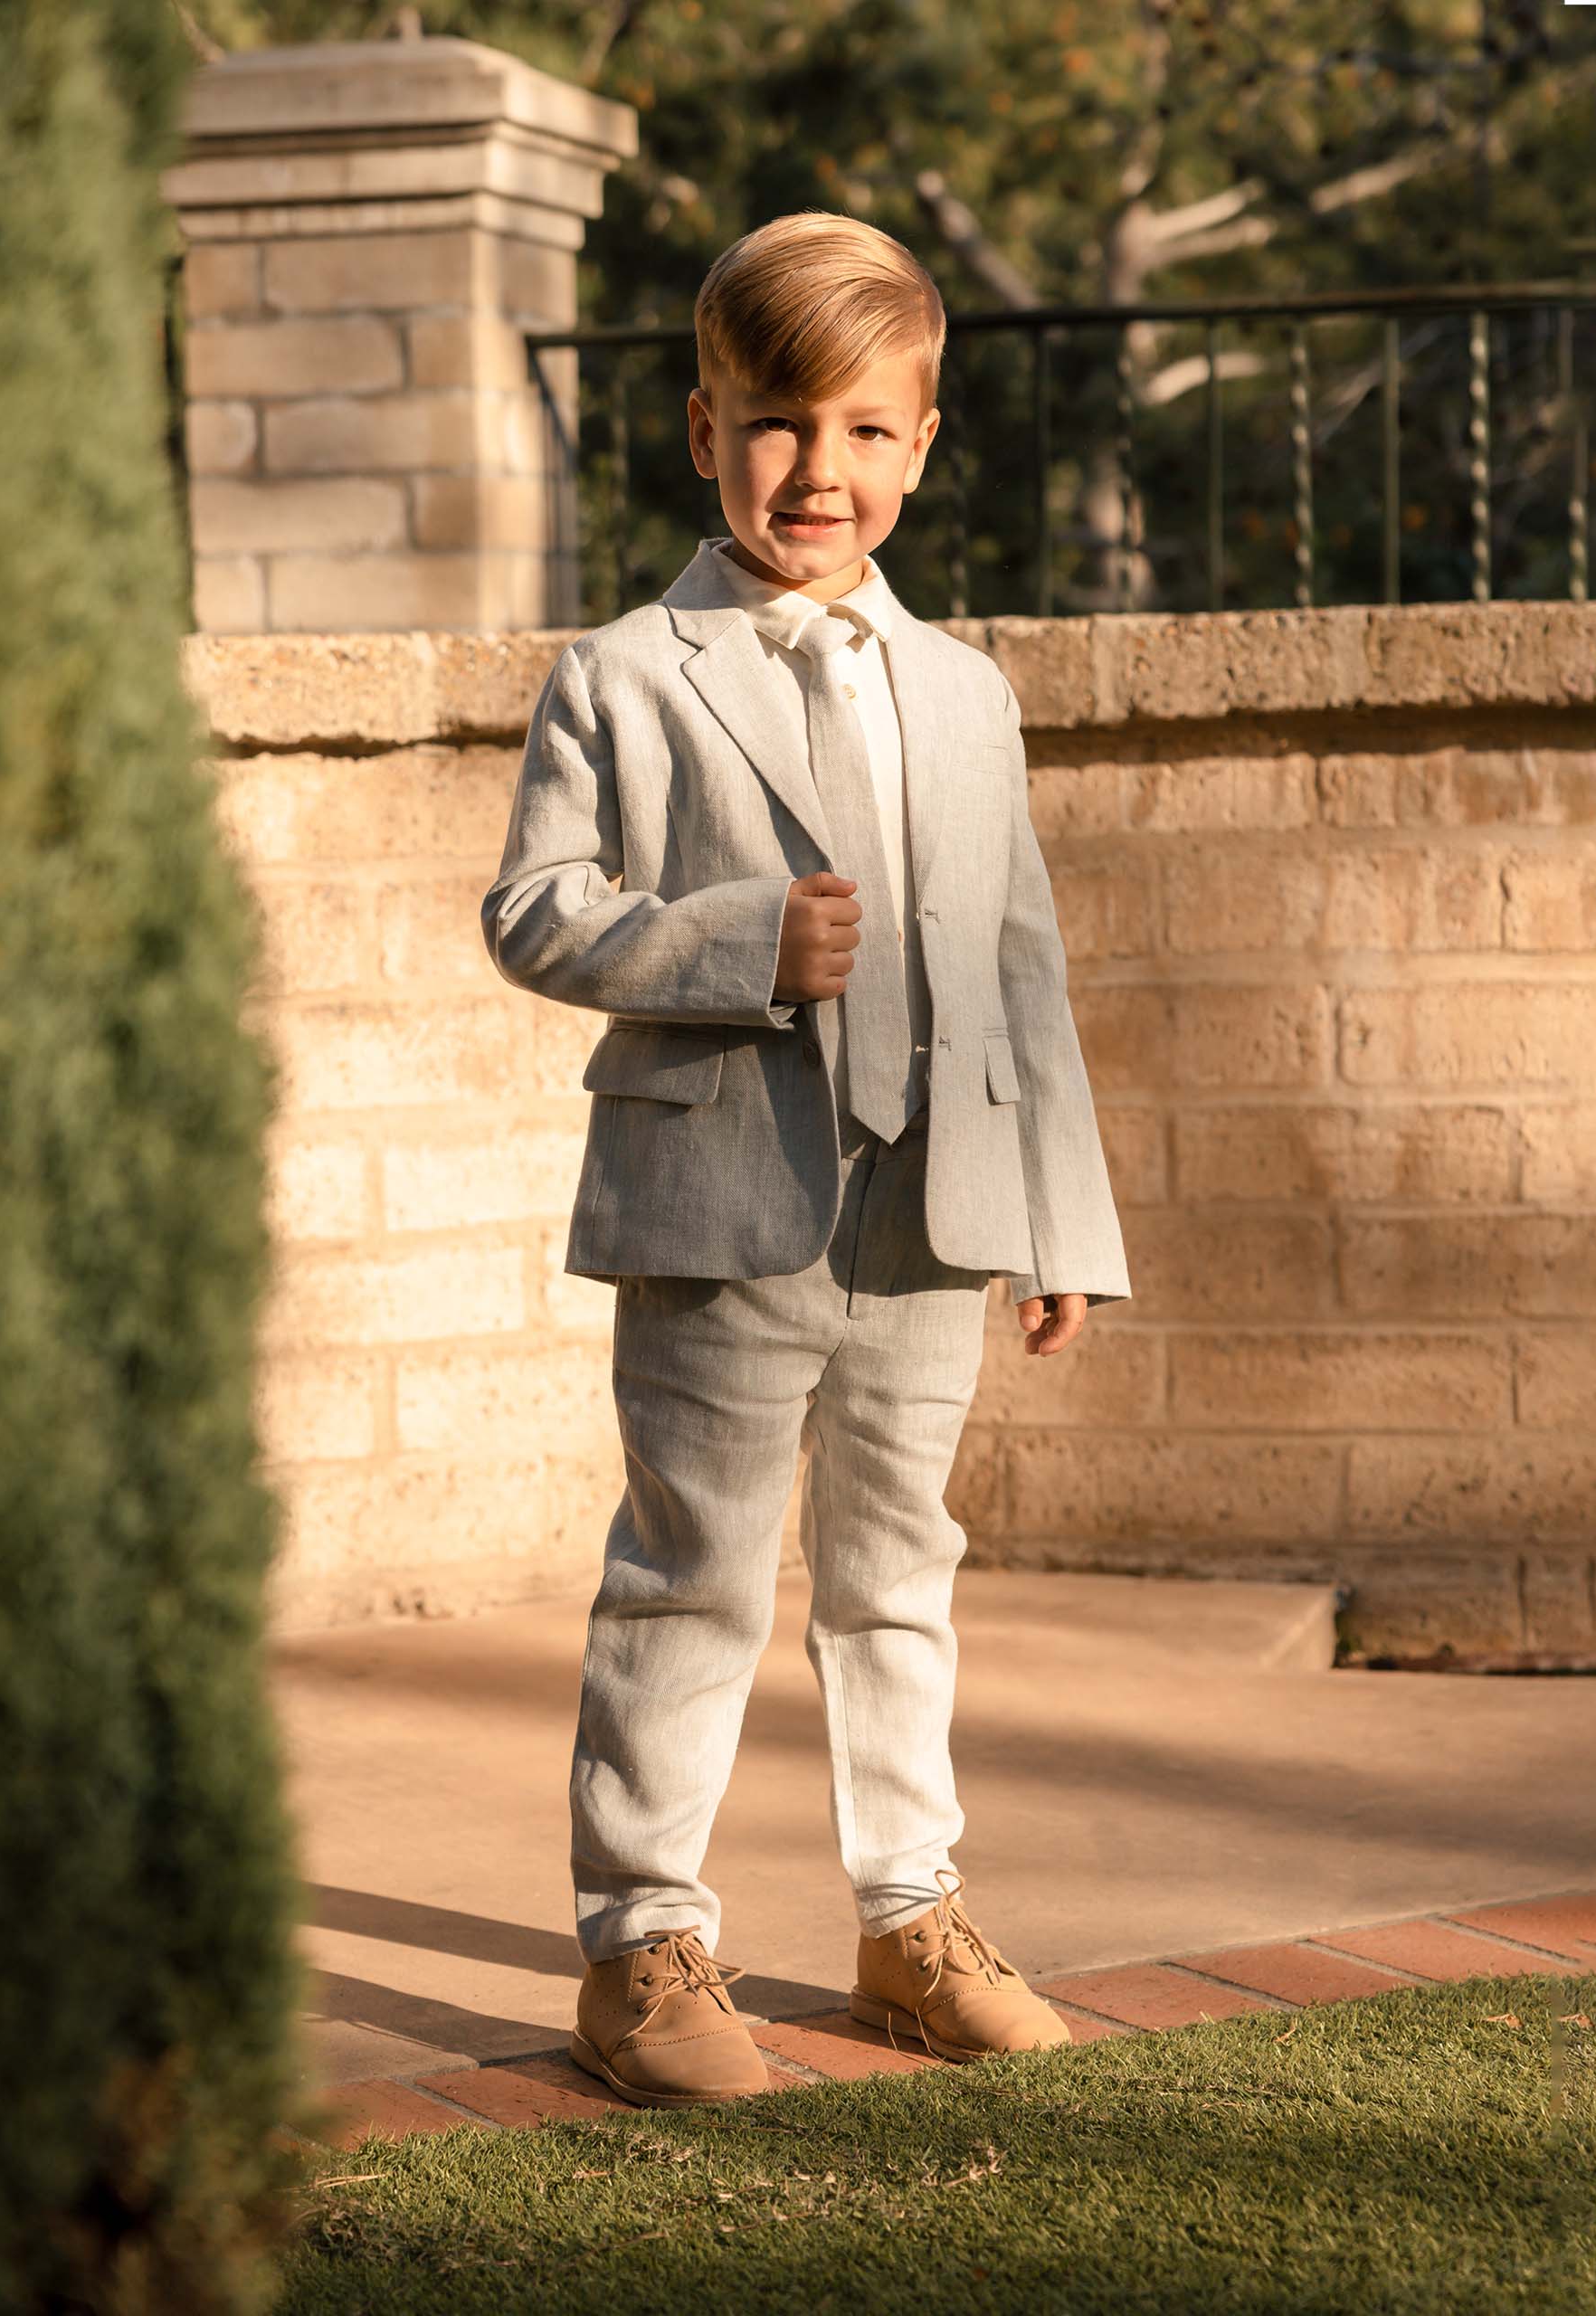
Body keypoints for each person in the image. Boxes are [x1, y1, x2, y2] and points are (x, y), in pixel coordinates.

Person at [480, 209, 1131, 2111]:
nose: (817, 472)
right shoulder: (622, 671)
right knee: (688, 1572)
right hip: (719, 1202)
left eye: (863, 432)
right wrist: (734, 942)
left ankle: (906, 1911)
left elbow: (1022, 963)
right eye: (777, 426)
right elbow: (534, 908)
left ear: (921, 447)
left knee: (895, 1569)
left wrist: (1056, 1214)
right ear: (704, 430)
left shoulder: (967, 694)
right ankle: (642, 1941)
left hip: (930, 1211)